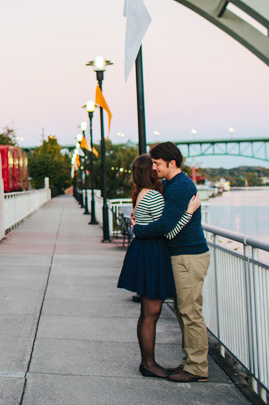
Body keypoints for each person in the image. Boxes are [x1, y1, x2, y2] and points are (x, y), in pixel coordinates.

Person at [133, 142, 211, 382]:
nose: (154, 168)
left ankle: (197, 368)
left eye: (157, 164)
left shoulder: (180, 187)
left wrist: (139, 230)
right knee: (183, 310)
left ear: (171, 163)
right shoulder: (171, 184)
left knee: (190, 312)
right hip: (179, 255)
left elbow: (167, 228)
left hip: (188, 255)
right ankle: (190, 362)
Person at [118, 154, 201, 378]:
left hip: (145, 251)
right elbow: (169, 231)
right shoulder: (153, 196)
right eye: (153, 167)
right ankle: (148, 364)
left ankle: (148, 362)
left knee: (148, 311)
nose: (156, 169)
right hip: (152, 253)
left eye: (158, 165)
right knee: (151, 312)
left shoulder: (142, 193)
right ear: (149, 173)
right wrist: (189, 212)